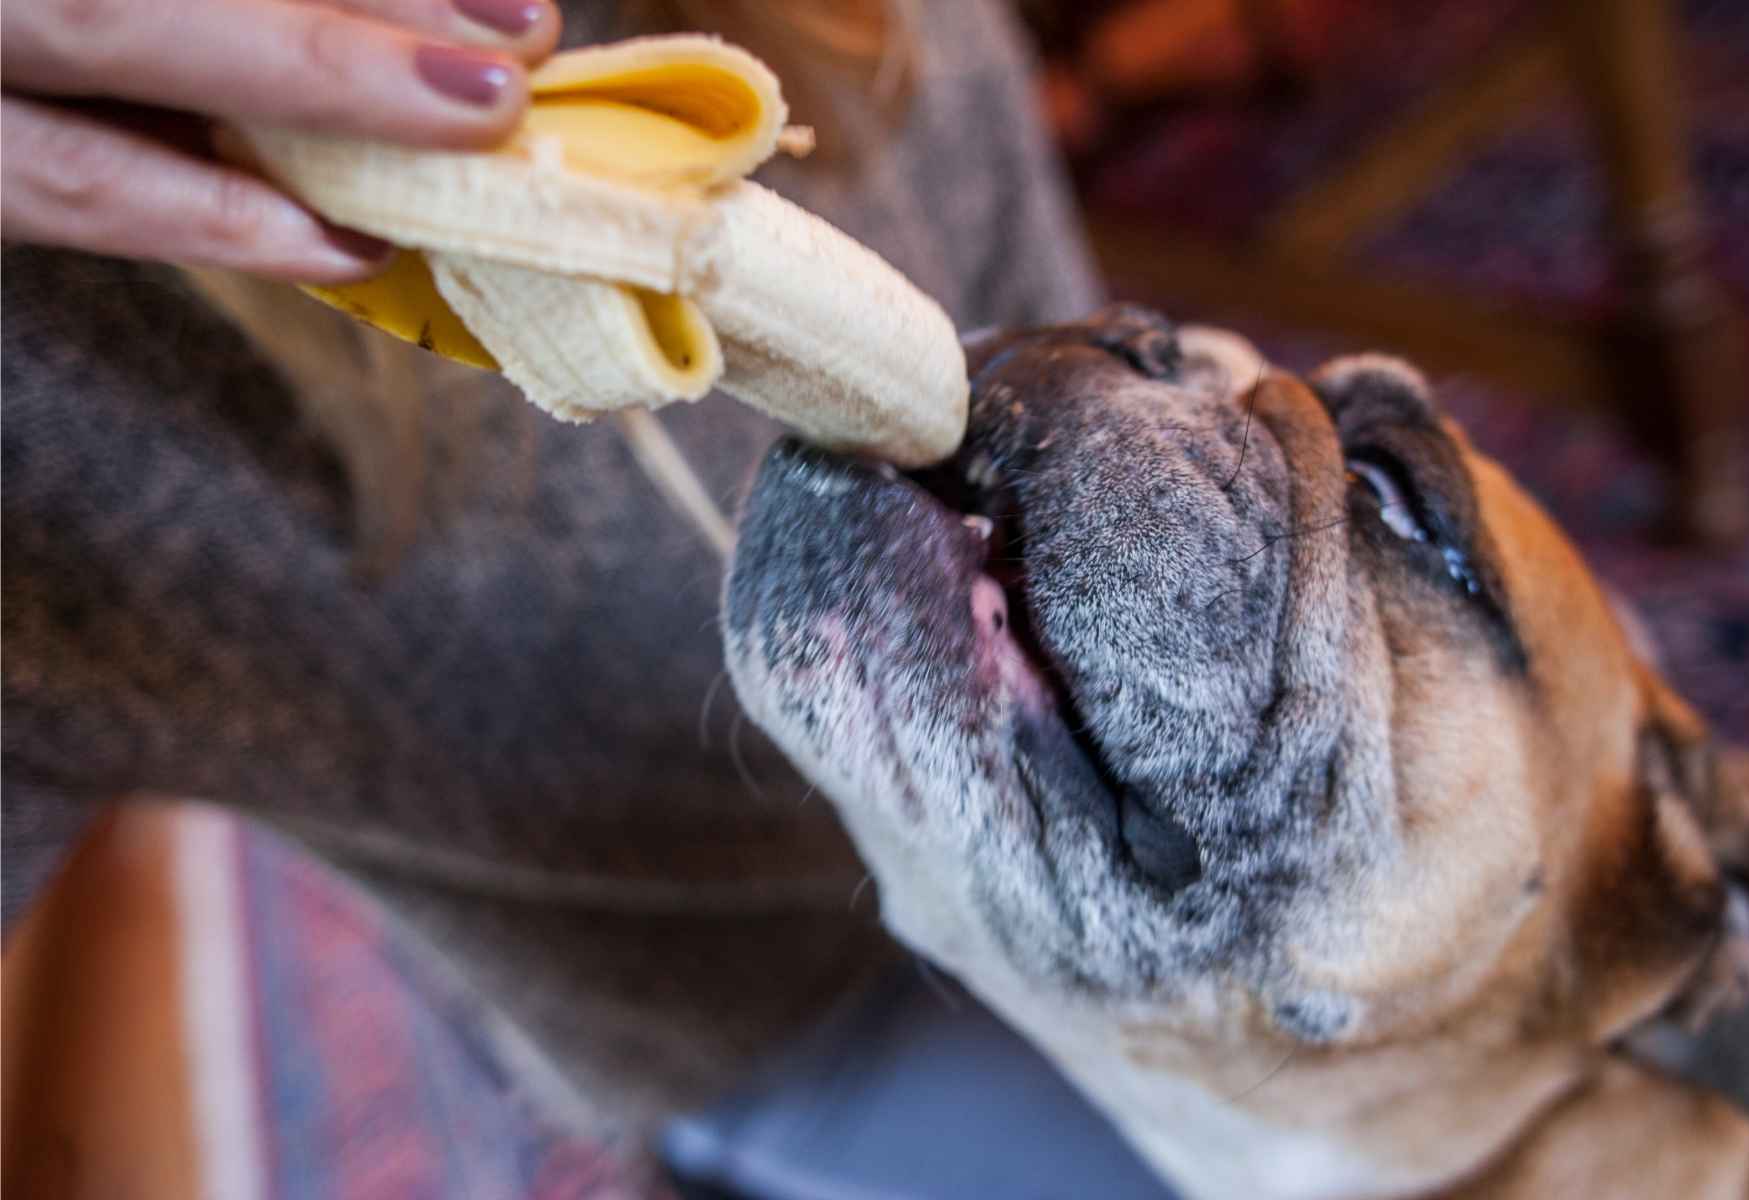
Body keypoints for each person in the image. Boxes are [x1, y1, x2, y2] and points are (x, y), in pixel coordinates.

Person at [1, 0, 1103, 1185]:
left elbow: (1080, 384)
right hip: (786, 1014)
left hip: (1074, 823)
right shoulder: (45, 412)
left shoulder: (904, 36)